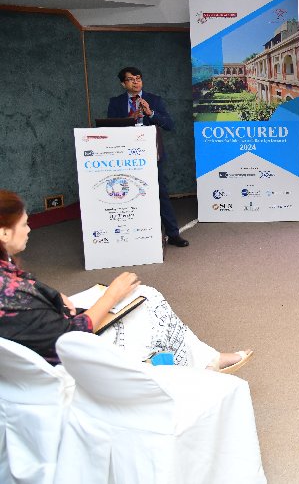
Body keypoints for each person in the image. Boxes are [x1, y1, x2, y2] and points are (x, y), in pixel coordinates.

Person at [0, 190, 252, 371]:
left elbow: (29, 298)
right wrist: (112, 295)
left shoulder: (8, 281)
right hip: (66, 361)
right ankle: (198, 364)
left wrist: (54, 297)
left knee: (143, 297)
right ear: (4, 232)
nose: (29, 230)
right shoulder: (15, 298)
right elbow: (71, 338)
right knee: (145, 302)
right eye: (24, 224)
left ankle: (201, 360)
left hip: (45, 338)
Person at [107, 66, 188, 247]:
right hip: (125, 156)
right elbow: (109, 128)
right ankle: (132, 236)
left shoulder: (154, 100)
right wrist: (131, 118)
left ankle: (173, 234)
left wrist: (151, 113)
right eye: (131, 79)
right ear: (123, 84)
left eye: (138, 78)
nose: (136, 82)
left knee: (161, 193)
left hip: (151, 154)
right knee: (129, 193)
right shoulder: (115, 102)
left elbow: (169, 125)